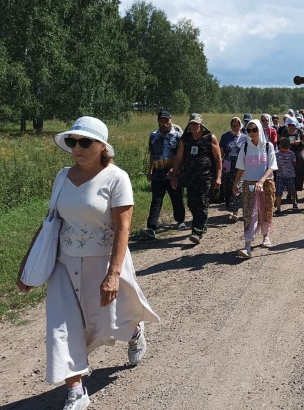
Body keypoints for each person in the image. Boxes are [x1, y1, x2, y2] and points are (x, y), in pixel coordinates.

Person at [16, 116, 159, 410]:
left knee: (107, 323)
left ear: (102, 145)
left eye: (84, 142)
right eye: (72, 141)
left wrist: (113, 274)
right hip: (63, 265)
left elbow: (123, 229)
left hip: (103, 263)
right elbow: (50, 222)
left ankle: (134, 331)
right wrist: (27, 267)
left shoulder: (117, 178)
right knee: (62, 326)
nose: (77, 147)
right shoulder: (62, 176)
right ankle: (76, 390)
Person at [170, 113, 222, 244]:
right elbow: (179, 158)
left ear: (201, 125)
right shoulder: (185, 139)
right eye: (191, 124)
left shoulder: (210, 138)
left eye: (196, 124)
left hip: (205, 177)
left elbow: (218, 159)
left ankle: (197, 231)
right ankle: (202, 226)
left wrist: (219, 177)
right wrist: (174, 175)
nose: (193, 126)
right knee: (192, 204)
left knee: (202, 202)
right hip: (189, 177)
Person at [233, 118, 278, 258]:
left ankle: (265, 237)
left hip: (266, 183)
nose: (252, 133)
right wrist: (235, 183)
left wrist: (261, 181)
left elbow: (272, 166)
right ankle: (247, 245)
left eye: (254, 130)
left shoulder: (267, 146)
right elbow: (240, 167)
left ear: (259, 130)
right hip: (249, 184)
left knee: (265, 210)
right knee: (249, 212)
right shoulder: (245, 147)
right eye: (249, 130)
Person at [143, 110, 185, 239]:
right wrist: (150, 170)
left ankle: (180, 221)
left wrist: (179, 171)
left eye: (167, 120)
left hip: (173, 172)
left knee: (177, 197)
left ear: (171, 119)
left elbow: (182, 155)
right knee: (156, 200)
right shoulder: (153, 136)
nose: (165, 123)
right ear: (158, 121)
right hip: (158, 172)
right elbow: (152, 154)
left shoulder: (178, 136)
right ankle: (151, 227)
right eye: (162, 120)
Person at [219, 117, 248, 223]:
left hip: (241, 165)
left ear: (240, 126)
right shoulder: (225, 136)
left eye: (237, 125)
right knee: (229, 186)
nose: (236, 128)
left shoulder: (245, 137)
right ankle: (230, 208)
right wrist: (220, 165)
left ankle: (235, 211)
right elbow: (221, 152)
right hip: (228, 164)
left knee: (238, 185)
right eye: (233, 126)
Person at [279, 116, 304, 193]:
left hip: (298, 154)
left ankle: (296, 190)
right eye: (289, 125)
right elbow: (281, 143)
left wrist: (300, 141)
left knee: (299, 173)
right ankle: (290, 191)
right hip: (288, 155)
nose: (291, 127)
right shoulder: (284, 132)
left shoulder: (300, 132)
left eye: (293, 125)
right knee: (288, 173)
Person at [275, 137, 298, 214]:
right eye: (284, 147)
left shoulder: (291, 153)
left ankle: (294, 202)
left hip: (290, 175)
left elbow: (294, 163)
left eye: (287, 147)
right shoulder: (277, 154)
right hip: (280, 176)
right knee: (278, 192)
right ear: (280, 146)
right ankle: (278, 209)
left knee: (292, 191)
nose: (286, 149)